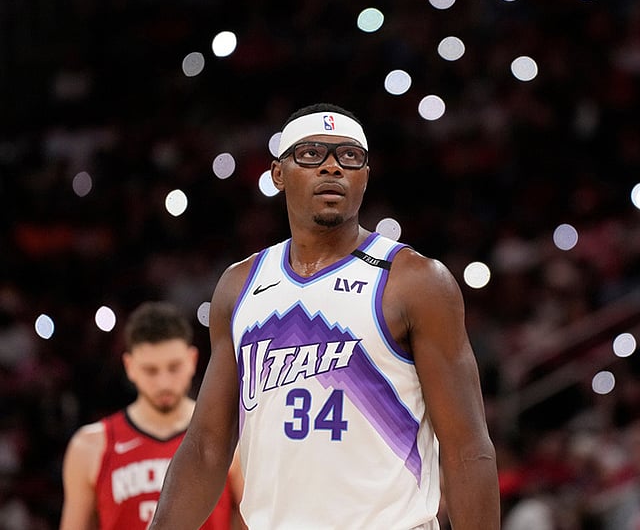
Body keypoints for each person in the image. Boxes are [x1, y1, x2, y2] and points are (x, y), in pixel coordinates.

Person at [149, 103, 500, 529]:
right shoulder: (239, 285)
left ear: (364, 177)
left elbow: (468, 449)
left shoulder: (415, 281)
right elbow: (206, 446)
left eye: (349, 157)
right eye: (312, 154)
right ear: (279, 174)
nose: (332, 167)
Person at [59, 301, 245, 530]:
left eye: (174, 367)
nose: (164, 382)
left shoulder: (231, 439)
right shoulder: (90, 446)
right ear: (130, 366)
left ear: (192, 360)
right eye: (151, 370)